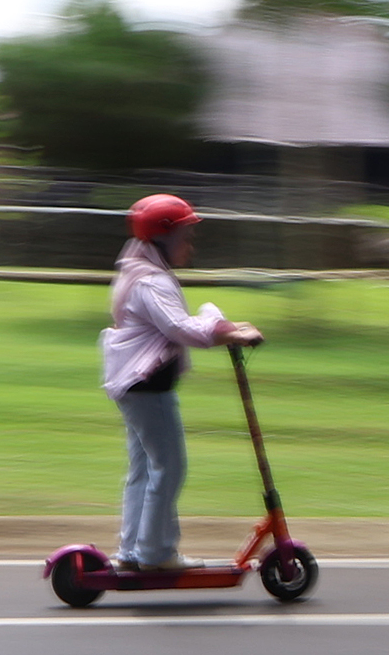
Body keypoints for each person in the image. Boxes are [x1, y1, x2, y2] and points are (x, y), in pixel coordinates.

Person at [100, 194, 263, 572]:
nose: (190, 245)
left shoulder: (140, 272)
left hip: (138, 384)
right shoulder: (151, 282)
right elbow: (178, 327)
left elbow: (179, 321)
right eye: (185, 236)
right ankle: (156, 554)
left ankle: (133, 550)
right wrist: (229, 332)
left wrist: (219, 323)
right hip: (147, 386)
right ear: (162, 238)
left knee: (144, 468)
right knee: (169, 467)